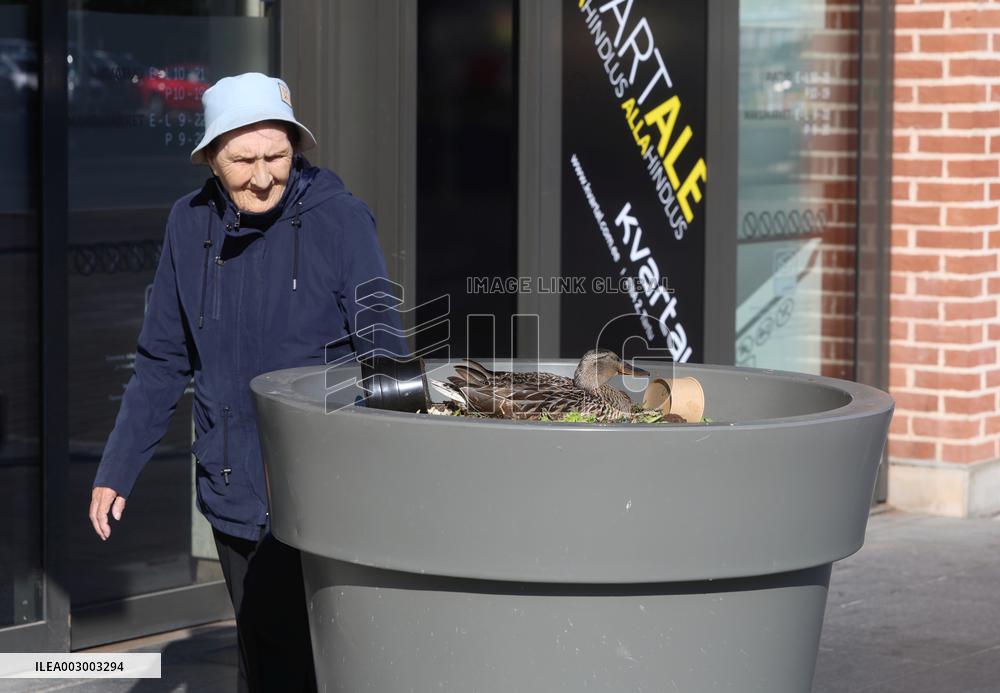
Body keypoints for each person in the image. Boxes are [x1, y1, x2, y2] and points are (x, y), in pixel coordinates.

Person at [87, 72, 407, 692]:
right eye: (242, 160)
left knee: (305, 663)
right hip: (232, 488)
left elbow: (386, 355)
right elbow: (161, 359)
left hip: (319, 494)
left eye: (277, 156)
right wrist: (117, 465)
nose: (262, 177)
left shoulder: (341, 222)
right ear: (210, 157)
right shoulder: (188, 225)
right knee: (261, 655)